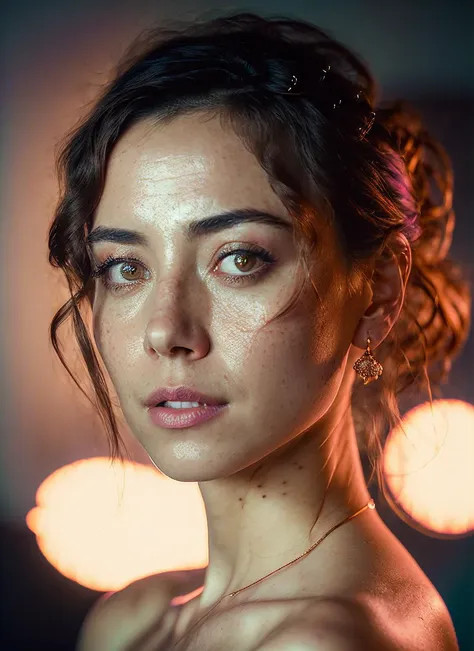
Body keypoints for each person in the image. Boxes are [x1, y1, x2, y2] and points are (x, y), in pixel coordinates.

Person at [47, 12, 470, 651]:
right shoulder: (133, 619)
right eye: (125, 267)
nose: (167, 331)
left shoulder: (331, 639)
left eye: (240, 258)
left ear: (379, 288)